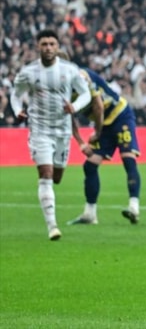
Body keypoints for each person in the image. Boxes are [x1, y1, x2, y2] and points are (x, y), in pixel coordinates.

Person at [10, 30, 91, 240]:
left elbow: (86, 94)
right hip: (40, 129)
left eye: (52, 44)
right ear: (38, 46)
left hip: (62, 130)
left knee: (57, 177)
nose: (48, 48)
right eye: (44, 44)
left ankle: (51, 212)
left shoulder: (69, 70)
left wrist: (74, 107)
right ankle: (52, 227)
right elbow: (15, 95)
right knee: (45, 175)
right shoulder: (28, 72)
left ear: (57, 46)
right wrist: (17, 110)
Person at [65, 61, 143, 225]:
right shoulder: (59, 88)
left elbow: (99, 106)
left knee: (128, 159)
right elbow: (67, 116)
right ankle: (90, 214)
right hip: (103, 123)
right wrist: (81, 143)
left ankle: (134, 207)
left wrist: (98, 133)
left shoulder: (82, 78)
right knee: (90, 166)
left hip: (120, 115)